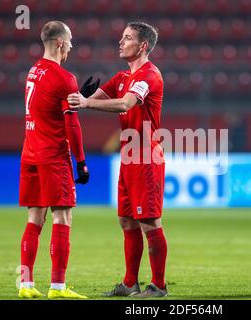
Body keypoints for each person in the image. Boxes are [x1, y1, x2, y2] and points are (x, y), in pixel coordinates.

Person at [68, 21, 167, 298]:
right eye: (121, 37)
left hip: (147, 157)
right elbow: (94, 98)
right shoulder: (124, 77)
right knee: (126, 220)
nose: (120, 42)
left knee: (149, 222)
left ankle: (159, 286)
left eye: (127, 38)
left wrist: (86, 102)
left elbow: (124, 104)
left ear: (143, 45)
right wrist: (82, 96)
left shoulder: (150, 75)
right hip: (129, 157)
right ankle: (130, 283)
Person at [18, 21, 90, 299]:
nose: (71, 45)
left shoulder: (32, 71)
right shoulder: (64, 77)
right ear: (60, 42)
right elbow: (72, 124)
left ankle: (25, 284)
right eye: (70, 41)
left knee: (35, 218)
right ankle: (58, 288)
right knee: (63, 216)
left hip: (30, 153)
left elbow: (47, 106)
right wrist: (81, 161)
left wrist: (78, 96)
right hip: (53, 156)